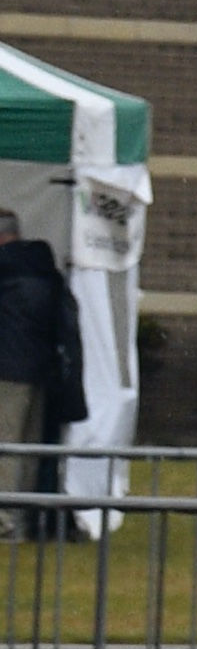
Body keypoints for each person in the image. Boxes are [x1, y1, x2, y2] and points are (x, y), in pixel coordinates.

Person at [0, 230, 78, 543]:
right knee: (28, 450)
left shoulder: (5, 275)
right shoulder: (46, 275)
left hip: (5, 371)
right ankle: (23, 520)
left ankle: (2, 521)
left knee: (4, 447)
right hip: (40, 373)